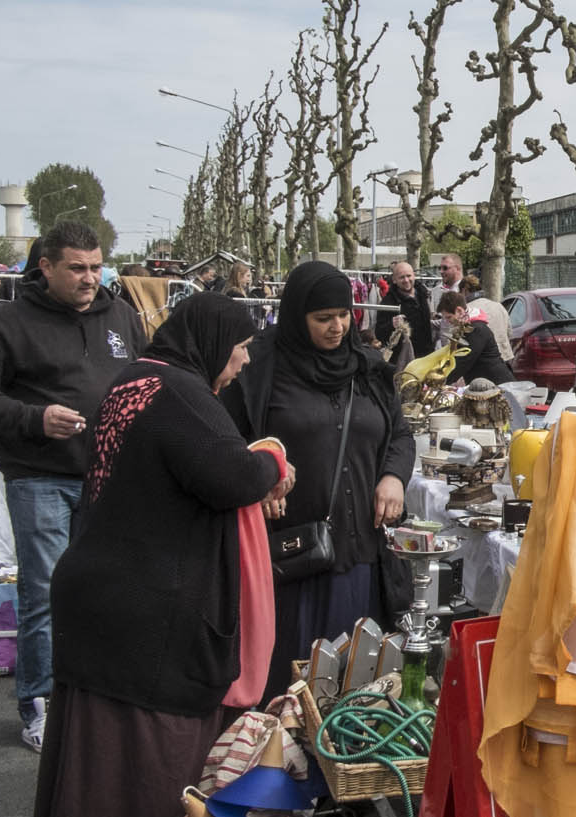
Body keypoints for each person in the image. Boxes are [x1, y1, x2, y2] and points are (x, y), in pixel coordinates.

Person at [34, 293, 292, 817]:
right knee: (142, 775)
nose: (244, 359)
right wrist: (273, 457)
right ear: (213, 343)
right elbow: (234, 476)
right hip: (146, 620)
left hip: (104, 602)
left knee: (95, 768)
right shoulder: (178, 392)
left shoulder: (136, 378)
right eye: (240, 346)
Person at [0, 221, 148, 751]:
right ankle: (39, 705)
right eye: (78, 268)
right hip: (39, 477)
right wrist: (34, 418)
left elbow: (147, 381)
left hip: (109, 479)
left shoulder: (123, 316)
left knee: (106, 592)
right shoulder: (7, 323)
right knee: (45, 592)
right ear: (46, 267)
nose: (91, 278)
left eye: (96, 266)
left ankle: (96, 698)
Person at [220, 261, 415, 699]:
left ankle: (348, 763)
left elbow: (399, 433)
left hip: (359, 552)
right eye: (323, 319)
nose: (337, 327)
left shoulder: (367, 369)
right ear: (296, 316)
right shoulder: (261, 370)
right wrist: (259, 477)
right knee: (294, 678)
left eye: (343, 315)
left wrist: (393, 477)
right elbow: (229, 442)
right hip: (292, 556)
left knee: (354, 678)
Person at [435, 291, 515, 387]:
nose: (448, 322)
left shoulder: (475, 329)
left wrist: (440, 380)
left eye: (449, 317)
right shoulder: (471, 327)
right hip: (490, 384)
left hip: (497, 384)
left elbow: (463, 361)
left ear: (459, 311)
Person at [376, 261, 432, 356]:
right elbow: (379, 333)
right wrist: (391, 325)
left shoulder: (424, 294)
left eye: (408, 276)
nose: (406, 280)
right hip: (403, 358)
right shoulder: (388, 302)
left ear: (414, 275)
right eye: (402, 277)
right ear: (394, 280)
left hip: (427, 354)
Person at [460, 274, 514, 363]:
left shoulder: (466, 310)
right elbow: (509, 333)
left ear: (464, 290)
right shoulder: (498, 306)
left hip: (480, 363)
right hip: (504, 359)